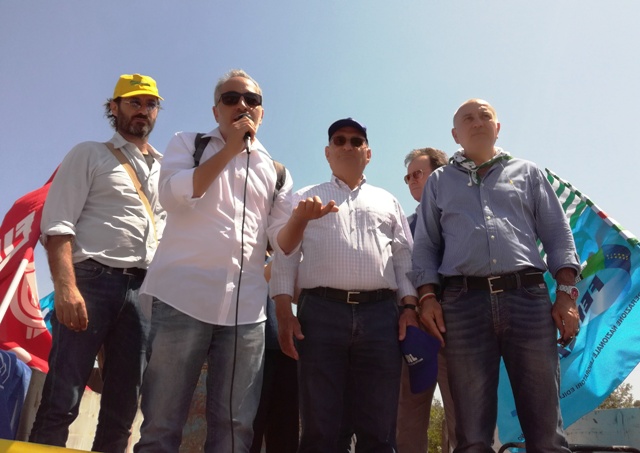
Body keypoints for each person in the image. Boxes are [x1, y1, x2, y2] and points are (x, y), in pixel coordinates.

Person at [134, 69, 297, 453]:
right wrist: (229, 150)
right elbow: (173, 196)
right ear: (215, 110)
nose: (242, 104)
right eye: (231, 98)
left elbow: (282, 243)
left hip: (246, 313)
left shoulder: (277, 172)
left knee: (235, 429)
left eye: (252, 100)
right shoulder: (188, 144)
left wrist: (302, 220)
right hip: (181, 300)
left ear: (262, 113)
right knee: (161, 423)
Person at [410, 99, 581, 452]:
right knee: (472, 435)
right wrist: (427, 297)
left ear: (497, 127)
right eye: (467, 118)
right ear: (455, 135)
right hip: (463, 305)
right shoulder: (439, 182)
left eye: (485, 115)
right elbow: (425, 245)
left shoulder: (528, 173)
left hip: (528, 300)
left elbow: (558, 235)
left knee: (546, 432)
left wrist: (566, 294)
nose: (477, 122)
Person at [29, 73, 165, 452]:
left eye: (150, 104)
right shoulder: (89, 153)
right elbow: (57, 225)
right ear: (114, 107)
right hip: (91, 282)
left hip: (144, 292)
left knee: (123, 409)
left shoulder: (166, 168)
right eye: (134, 102)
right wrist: (66, 288)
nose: (143, 110)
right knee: (63, 397)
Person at [271, 118, 419, 452]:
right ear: (328, 152)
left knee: (379, 428)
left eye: (356, 141)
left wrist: (409, 307)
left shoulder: (388, 201)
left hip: (381, 316)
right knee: (321, 427)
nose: (348, 146)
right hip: (320, 315)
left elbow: (404, 259)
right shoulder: (304, 198)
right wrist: (283, 311)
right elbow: (286, 255)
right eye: (339, 140)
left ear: (368, 153)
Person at [397, 147, 456, 453]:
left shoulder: (460, 217)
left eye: (417, 174)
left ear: (440, 173)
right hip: (415, 331)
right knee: (406, 418)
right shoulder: (403, 226)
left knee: (463, 417)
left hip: (457, 327)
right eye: (407, 177)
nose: (411, 181)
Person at [249, 246, 299, 453]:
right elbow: (256, 279)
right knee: (250, 427)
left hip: (289, 350)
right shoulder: (251, 250)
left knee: (285, 432)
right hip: (252, 349)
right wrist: (281, 258)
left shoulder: (295, 251)